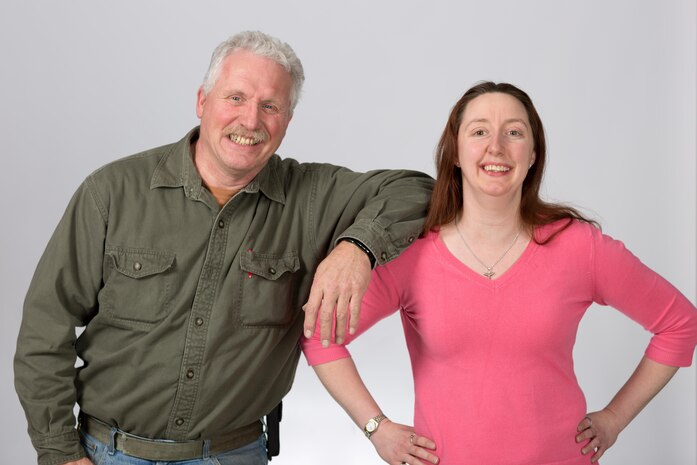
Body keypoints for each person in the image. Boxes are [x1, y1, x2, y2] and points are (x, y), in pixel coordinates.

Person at [14, 31, 434, 465]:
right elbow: (45, 329)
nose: (250, 120)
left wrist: (355, 249)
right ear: (202, 102)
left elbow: (419, 190)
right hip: (107, 453)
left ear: (287, 120)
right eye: (236, 98)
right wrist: (60, 452)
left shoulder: (311, 198)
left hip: (233, 455)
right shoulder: (113, 192)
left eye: (270, 106)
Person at [302, 81, 697, 465]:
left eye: (514, 132)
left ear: (533, 154)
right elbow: (321, 337)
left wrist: (614, 419)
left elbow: (680, 323)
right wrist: (378, 428)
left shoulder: (580, 247)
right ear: (455, 152)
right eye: (479, 132)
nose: (496, 147)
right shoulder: (414, 254)